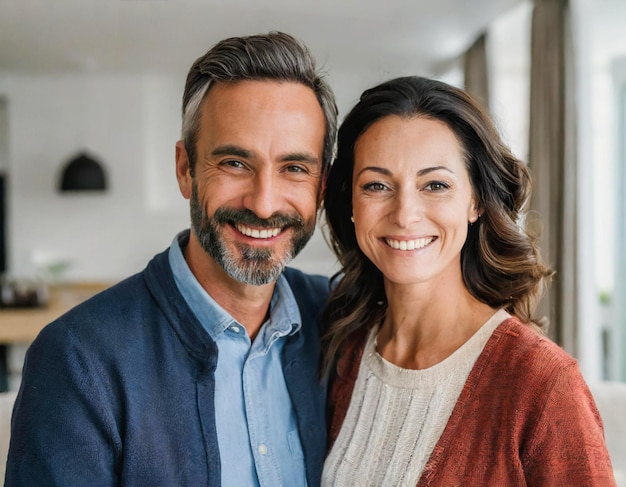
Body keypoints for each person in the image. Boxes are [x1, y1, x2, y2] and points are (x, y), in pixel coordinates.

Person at [6, 31, 337, 486]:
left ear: (321, 188)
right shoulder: (79, 359)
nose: (263, 203)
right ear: (185, 169)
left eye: (294, 168)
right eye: (235, 164)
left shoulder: (339, 320)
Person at [321, 76, 616, 486]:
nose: (405, 214)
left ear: (475, 200)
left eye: (435, 185)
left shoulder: (541, 382)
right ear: (350, 202)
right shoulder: (345, 348)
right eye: (377, 185)